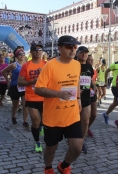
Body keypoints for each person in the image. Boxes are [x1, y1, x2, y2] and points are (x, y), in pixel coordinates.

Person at [34, 35, 83, 174]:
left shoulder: (76, 64)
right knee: (51, 148)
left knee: (77, 147)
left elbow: (77, 82)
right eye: (69, 47)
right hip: (53, 117)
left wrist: (78, 98)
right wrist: (57, 94)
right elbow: (38, 89)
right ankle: (48, 168)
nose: (73, 50)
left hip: (71, 115)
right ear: (59, 48)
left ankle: (64, 165)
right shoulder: (50, 66)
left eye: (75, 47)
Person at [18, 43, 46, 152]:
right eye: (36, 50)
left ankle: (42, 128)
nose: (38, 51)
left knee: (45, 121)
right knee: (35, 121)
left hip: (45, 97)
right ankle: (37, 142)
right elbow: (20, 81)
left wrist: (43, 75)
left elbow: (52, 81)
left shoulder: (46, 65)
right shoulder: (26, 65)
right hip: (31, 97)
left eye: (40, 49)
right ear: (31, 52)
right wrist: (32, 81)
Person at [2, 48, 29, 126]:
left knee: (25, 105)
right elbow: (3, 71)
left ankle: (25, 121)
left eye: (23, 54)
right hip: (15, 86)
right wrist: (8, 81)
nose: (22, 56)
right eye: (20, 54)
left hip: (24, 86)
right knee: (16, 105)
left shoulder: (27, 64)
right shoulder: (14, 65)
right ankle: (13, 117)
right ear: (17, 56)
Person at [77, 46, 95, 153]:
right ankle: (73, 139)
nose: (84, 55)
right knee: (75, 122)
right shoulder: (73, 65)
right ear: (77, 54)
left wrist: (94, 86)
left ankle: (81, 142)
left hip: (87, 96)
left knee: (85, 121)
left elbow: (89, 79)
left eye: (86, 53)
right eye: (82, 52)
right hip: (75, 97)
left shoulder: (89, 67)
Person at [102, 49, 118, 125]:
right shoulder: (115, 64)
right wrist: (106, 82)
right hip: (116, 87)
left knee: (116, 103)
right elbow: (107, 71)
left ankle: (106, 114)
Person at [86, 54, 97, 138]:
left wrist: (94, 86)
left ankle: (86, 128)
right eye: (89, 60)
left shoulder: (93, 70)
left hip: (92, 92)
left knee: (93, 114)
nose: (91, 61)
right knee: (85, 116)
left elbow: (91, 80)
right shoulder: (81, 68)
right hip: (84, 93)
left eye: (92, 60)